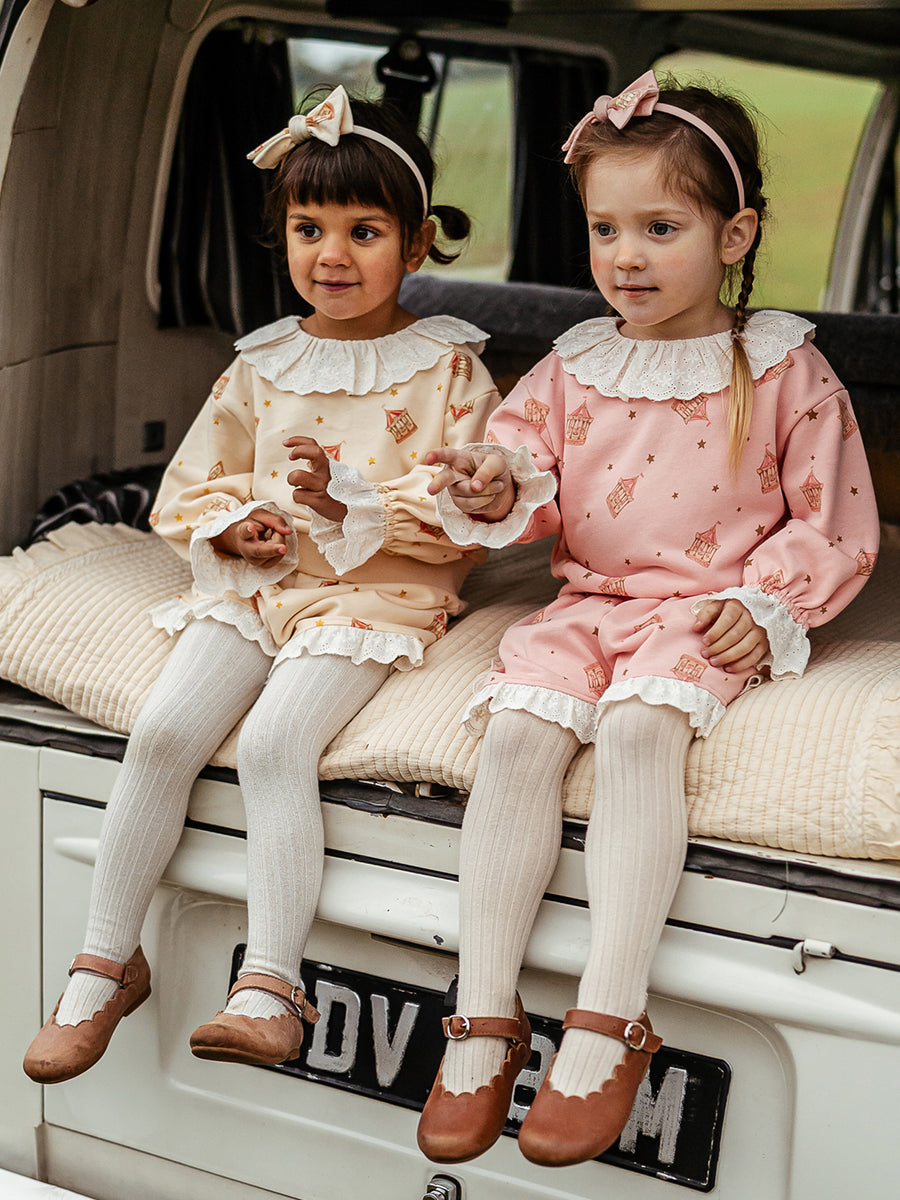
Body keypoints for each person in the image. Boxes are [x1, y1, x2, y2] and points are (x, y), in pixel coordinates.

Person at [416, 70, 880, 1168]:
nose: (626, 256)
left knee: (637, 728)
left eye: (661, 228)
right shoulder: (576, 362)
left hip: (703, 610)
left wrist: (768, 605)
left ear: (735, 236)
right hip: (588, 604)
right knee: (517, 734)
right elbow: (519, 465)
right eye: (605, 229)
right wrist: (490, 480)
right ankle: (483, 1009)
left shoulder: (783, 366)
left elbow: (835, 517)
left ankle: (609, 1011)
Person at [23, 84, 499, 1084]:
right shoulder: (262, 363)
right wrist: (235, 528)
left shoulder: (449, 369)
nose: (332, 254)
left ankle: (272, 987)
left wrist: (347, 501)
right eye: (308, 228)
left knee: (279, 743)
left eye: (364, 231)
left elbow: (468, 514)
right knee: (163, 731)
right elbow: (189, 490)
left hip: (370, 598)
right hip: (260, 588)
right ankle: (104, 962)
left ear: (416, 245)